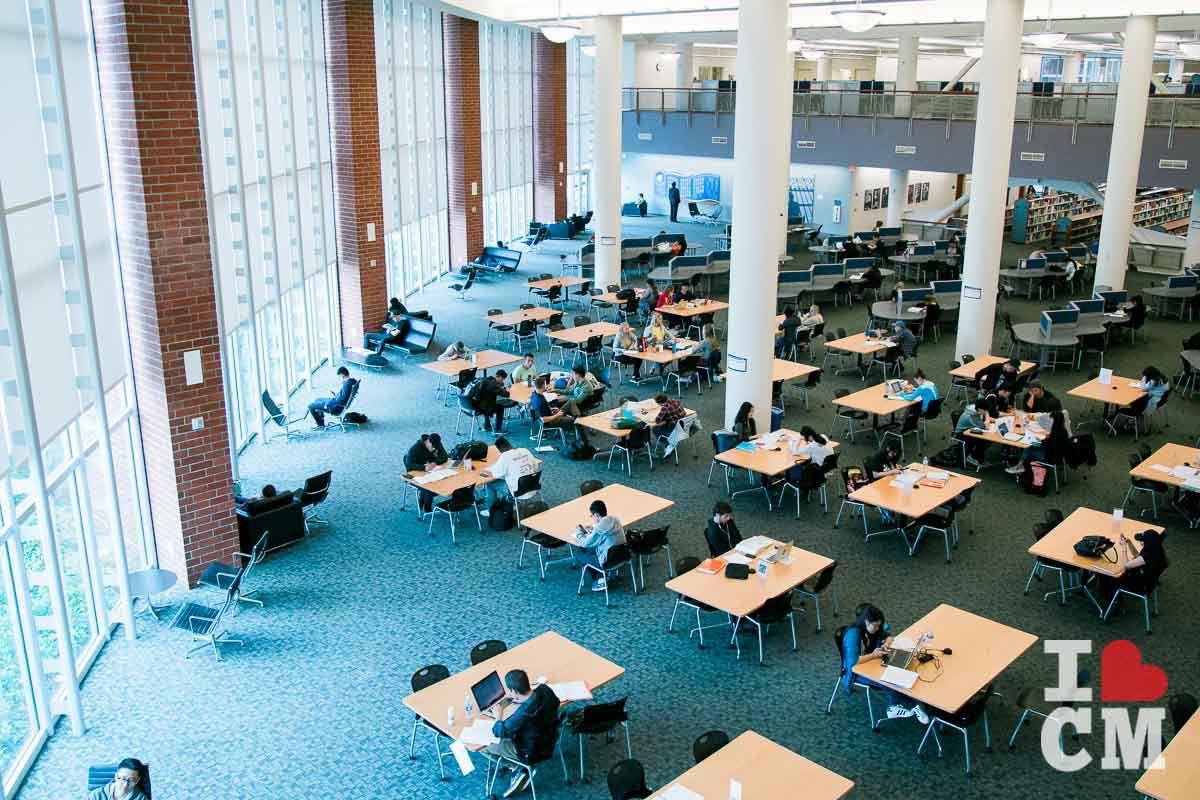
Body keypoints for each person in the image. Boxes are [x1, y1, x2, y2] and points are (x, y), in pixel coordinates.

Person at [840, 606, 930, 724]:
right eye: (875, 626)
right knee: (887, 681)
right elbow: (853, 662)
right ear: (866, 621)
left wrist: (886, 643)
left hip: (871, 662)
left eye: (879, 625)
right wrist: (874, 655)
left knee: (897, 672)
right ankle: (912, 706)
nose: (877, 629)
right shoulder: (854, 634)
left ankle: (895, 705)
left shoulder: (872, 628)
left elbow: (886, 635)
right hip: (855, 671)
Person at [487, 670, 560, 798]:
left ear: (514, 691)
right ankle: (520, 768)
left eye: (510, 691)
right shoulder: (545, 690)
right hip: (549, 739)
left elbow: (500, 731)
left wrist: (498, 715)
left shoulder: (524, 713)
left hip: (528, 751)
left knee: (484, 747)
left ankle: (517, 767)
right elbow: (556, 702)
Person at [1102, 529, 1168, 610]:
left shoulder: (1147, 557)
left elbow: (1124, 566)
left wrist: (1124, 548)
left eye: (1142, 540)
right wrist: (1129, 544)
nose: (1140, 541)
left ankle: (1115, 605)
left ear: (1147, 543)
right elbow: (1138, 556)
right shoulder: (1156, 551)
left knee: (1107, 575)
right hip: (1150, 582)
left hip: (1140, 586)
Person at [573, 500, 625, 591]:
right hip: (623, 555)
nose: (592, 517)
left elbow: (585, 543)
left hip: (608, 561)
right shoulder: (615, 519)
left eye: (592, 516)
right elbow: (605, 530)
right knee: (592, 550)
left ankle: (599, 580)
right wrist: (594, 528)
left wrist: (578, 533)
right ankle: (604, 576)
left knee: (580, 554)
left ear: (596, 515)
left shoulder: (599, 528)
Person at [478, 436, 540, 511]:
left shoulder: (505, 456)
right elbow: (536, 467)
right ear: (510, 444)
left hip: (519, 492)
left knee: (490, 483)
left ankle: (490, 510)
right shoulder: (525, 450)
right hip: (533, 486)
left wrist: (483, 470)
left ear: (500, 451)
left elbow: (494, 474)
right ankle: (509, 501)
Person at [1006, 409, 1068, 474]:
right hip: (1059, 456)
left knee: (1028, 447)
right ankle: (1021, 464)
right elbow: (1050, 441)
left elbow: (1041, 444)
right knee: (1032, 444)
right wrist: (1044, 438)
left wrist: (1035, 441)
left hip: (1048, 457)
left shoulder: (1054, 434)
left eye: (1051, 419)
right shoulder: (1062, 431)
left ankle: (1020, 466)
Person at [530, 377, 585, 446]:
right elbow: (544, 419)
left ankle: (577, 418)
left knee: (571, 401)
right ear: (543, 386)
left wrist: (552, 410)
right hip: (552, 421)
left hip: (551, 414)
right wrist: (557, 415)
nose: (546, 385)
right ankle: (583, 441)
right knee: (576, 420)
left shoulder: (534, 395)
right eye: (545, 384)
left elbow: (543, 410)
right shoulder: (540, 401)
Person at [405, 433, 449, 514]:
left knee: (443, 481)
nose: (434, 449)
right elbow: (409, 465)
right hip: (416, 474)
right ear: (427, 442)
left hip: (430, 472)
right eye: (432, 447)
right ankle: (427, 509)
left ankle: (423, 499)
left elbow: (445, 457)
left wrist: (435, 462)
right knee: (429, 488)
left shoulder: (436, 442)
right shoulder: (415, 448)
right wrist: (423, 468)